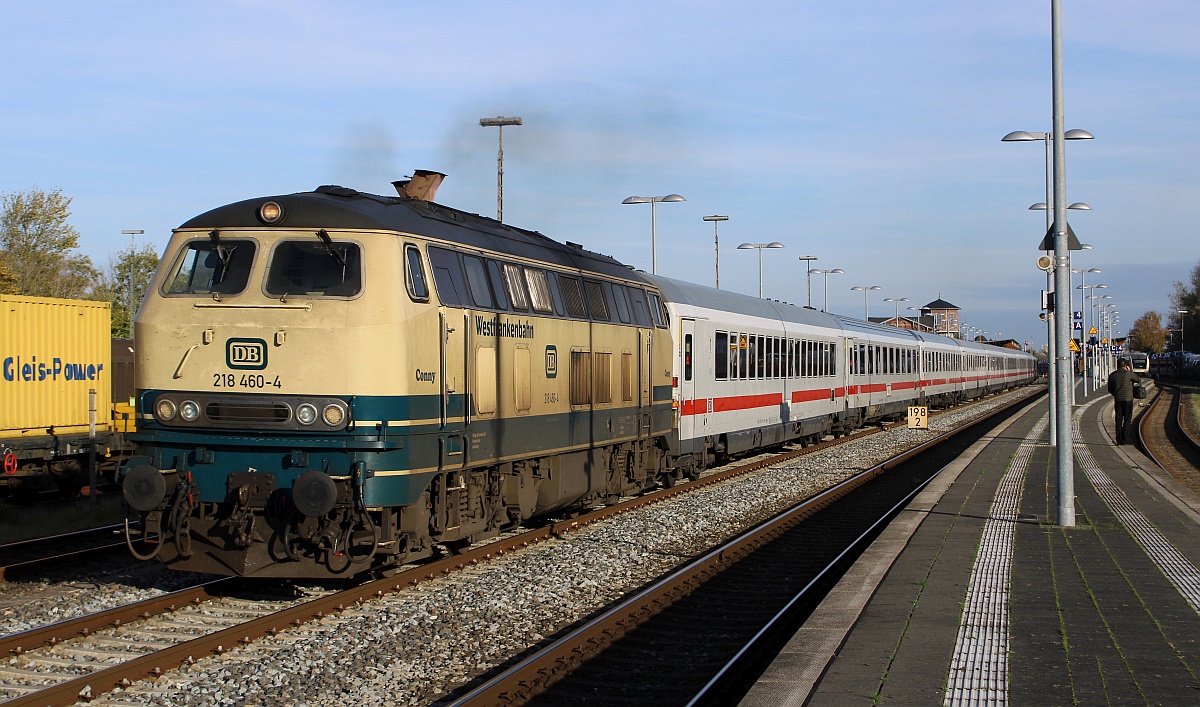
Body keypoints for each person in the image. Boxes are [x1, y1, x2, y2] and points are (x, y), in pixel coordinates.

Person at [1107, 357, 1142, 445]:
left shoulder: (1112, 375)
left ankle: (1118, 439)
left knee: (1118, 419)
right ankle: (1125, 439)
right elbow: (1138, 379)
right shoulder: (1129, 374)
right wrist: (1130, 371)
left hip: (1118, 400)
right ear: (1126, 365)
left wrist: (1115, 394)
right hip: (1128, 400)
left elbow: (1110, 389)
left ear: (1117, 365)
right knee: (1127, 419)